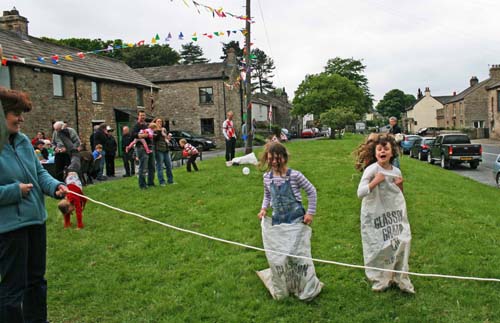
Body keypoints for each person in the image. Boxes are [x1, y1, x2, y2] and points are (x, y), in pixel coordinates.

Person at [0, 87, 67, 322]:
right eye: (15, 113)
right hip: (9, 229)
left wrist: (56, 187)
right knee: (12, 288)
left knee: (36, 281)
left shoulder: (23, 141)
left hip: (35, 220)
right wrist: (14, 191)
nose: (21, 118)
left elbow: (39, 173)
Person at [356, 133, 414, 294]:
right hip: (375, 215)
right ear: (375, 153)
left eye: (386, 149)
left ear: (392, 152)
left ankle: (400, 277)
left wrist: (400, 185)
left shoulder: (396, 171)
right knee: (378, 245)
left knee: (402, 241)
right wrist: (375, 181)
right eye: (379, 149)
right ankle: (380, 278)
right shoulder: (371, 170)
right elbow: (360, 193)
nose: (382, 152)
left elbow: (399, 195)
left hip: (393, 214)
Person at [258, 141, 316, 225]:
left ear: (284, 158)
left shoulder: (295, 175)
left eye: (277, 158)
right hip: (278, 220)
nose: (274, 161)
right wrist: (263, 209)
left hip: (296, 220)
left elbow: (311, 191)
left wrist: (310, 213)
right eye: (271, 159)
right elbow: (267, 195)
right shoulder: (266, 177)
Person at [132, 111, 155, 189]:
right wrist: (141, 135)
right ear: (138, 116)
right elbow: (133, 135)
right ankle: (142, 185)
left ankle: (151, 183)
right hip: (141, 148)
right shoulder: (136, 125)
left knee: (151, 166)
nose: (143, 117)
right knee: (143, 167)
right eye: (141, 115)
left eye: (144, 115)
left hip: (150, 147)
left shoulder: (146, 125)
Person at [153, 118, 174, 185]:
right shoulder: (154, 130)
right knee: (160, 166)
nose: (160, 123)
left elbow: (166, 139)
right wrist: (159, 131)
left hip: (166, 149)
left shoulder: (164, 129)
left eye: (161, 122)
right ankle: (162, 182)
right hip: (159, 150)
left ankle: (170, 181)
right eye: (158, 121)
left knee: (169, 165)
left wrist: (168, 138)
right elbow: (154, 139)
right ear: (155, 122)